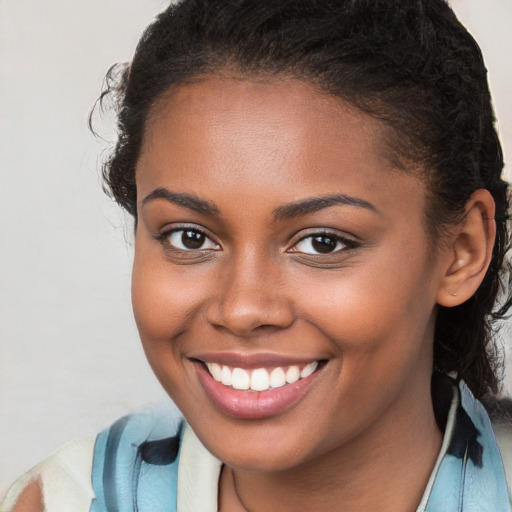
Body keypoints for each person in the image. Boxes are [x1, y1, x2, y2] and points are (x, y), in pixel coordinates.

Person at [2, 0, 512, 510]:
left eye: (323, 242)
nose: (242, 309)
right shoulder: (63, 500)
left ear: (461, 251)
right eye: (190, 237)